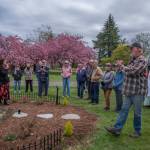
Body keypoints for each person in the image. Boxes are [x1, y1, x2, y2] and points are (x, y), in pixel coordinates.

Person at [105, 42, 147, 138]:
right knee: (123, 110)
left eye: (133, 48)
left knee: (137, 113)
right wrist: (123, 67)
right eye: (131, 48)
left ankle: (137, 131)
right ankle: (117, 129)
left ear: (139, 50)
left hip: (138, 92)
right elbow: (127, 71)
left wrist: (123, 67)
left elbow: (133, 71)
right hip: (129, 91)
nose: (131, 50)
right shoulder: (132, 60)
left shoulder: (142, 60)